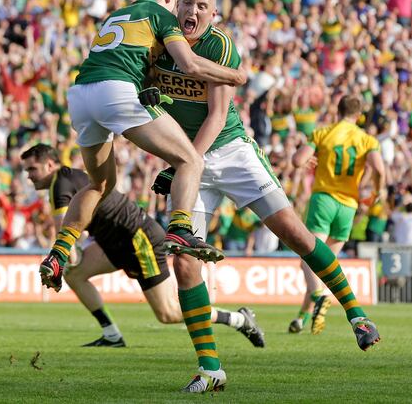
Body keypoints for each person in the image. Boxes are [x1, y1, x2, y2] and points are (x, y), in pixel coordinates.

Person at [146, 0, 381, 393]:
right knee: (184, 261)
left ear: (213, 15)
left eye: (203, 6)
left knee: (295, 234)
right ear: (176, 5)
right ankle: (210, 367)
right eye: (187, 3)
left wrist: (184, 164)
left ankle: (356, 313)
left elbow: (217, 116)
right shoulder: (159, 41)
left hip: (229, 152)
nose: (194, 10)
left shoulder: (219, 46)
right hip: (190, 159)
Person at [40, 0, 247, 298]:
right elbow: (191, 64)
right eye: (179, 0)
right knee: (191, 159)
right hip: (114, 91)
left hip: (81, 95)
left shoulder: (118, 15)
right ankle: (180, 228)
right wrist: (234, 76)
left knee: (101, 185)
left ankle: (59, 252)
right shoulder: (162, 16)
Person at [21, 145, 265, 349]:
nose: (29, 175)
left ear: (50, 165)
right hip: (117, 240)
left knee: (168, 313)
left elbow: (67, 247)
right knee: (76, 275)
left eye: (32, 168)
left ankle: (237, 319)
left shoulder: (59, 186)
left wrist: (61, 260)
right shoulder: (68, 177)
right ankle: (112, 335)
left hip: (137, 238)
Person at [288, 95, 386, 335]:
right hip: (349, 205)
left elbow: (297, 160)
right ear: (359, 114)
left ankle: (319, 296)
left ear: (337, 110)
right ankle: (302, 317)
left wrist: (308, 159)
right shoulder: (366, 139)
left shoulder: (323, 133)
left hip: (324, 198)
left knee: (310, 260)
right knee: (326, 266)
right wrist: (377, 190)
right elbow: (379, 169)